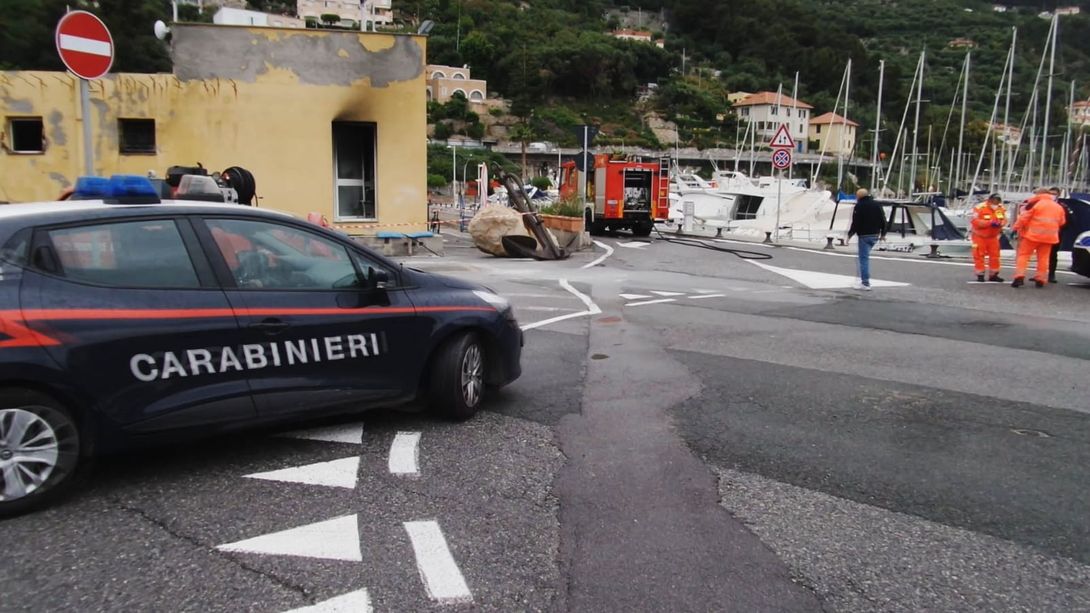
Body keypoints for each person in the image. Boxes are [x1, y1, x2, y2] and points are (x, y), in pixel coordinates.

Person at [1011, 187, 1067, 288]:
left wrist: (1015, 228)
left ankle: (1019, 276)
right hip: (1049, 237)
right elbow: (1062, 222)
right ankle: (1040, 278)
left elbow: (1024, 218)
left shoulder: (1035, 204)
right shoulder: (1058, 207)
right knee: (1043, 258)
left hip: (1032, 235)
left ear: (1039, 194)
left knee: (1024, 256)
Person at [847, 188, 887, 290]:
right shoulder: (877, 205)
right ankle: (860, 280)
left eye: (857, 196)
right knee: (863, 258)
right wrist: (883, 233)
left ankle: (865, 283)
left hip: (864, 235)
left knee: (863, 259)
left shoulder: (859, 206)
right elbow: (883, 220)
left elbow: (856, 222)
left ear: (859, 196)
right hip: (875, 235)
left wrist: (849, 235)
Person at [969, 193, 1006, 282]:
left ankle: (994, 274)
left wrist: (1001, 224)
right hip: (979, 236)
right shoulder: (980, 208)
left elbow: (1004, 220)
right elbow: (975, 221)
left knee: (995, 256)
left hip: (993, 237)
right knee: (978, 255)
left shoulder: (1001, 209)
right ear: (990, 200)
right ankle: (980, 274)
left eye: (998, 200)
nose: (996, 202)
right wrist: (989, 223)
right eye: (994, 200)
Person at [1045, 187, 1072, 283]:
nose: (1052, 195)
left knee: (1053, 255)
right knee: (1042, 255)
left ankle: (1051, 274)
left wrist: (1060, 229)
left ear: (1058, 194)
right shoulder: (1043, 204)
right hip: (1042, 234)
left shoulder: (1063, 206)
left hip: (1056, 234)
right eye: (1050, 193)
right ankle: (1040, 274)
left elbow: (1068, 220)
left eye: (1054, 193)